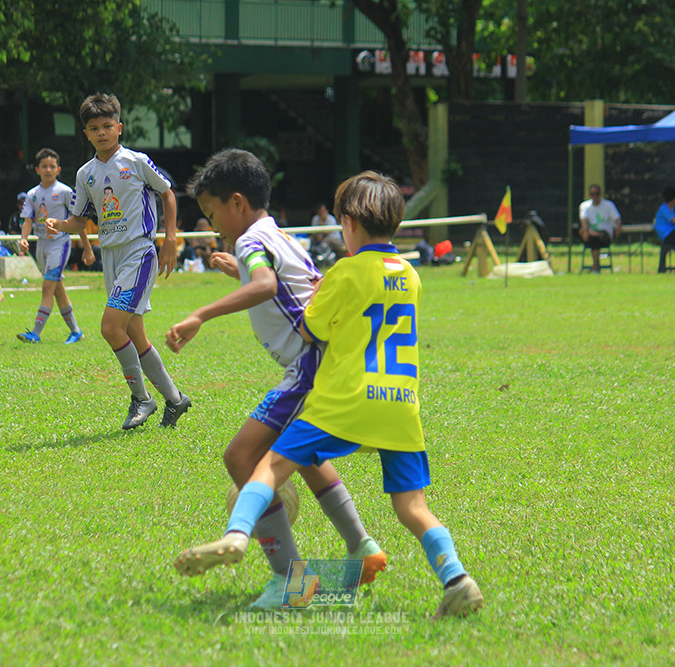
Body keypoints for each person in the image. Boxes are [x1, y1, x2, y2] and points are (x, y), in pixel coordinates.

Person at [174, 171, 484, 620]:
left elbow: (309, 326)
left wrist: (318, 296)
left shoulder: (343, 271)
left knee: (269, 463)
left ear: (350, 223)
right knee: (414, 507)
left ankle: (241, 536)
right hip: (401, 407)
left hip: (345, 402)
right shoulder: (412, 275)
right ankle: (457, 579)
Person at [166, 150, 387, 609]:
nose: (212, 226)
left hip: (307, 365)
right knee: (302, 453)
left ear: (238, 203)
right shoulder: (278, 235)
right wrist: (239, 269)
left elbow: (267, 287)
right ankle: (361, 545)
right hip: (326, 358)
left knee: (241, 455)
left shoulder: (249, 242)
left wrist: (199, 314)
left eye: (212, 213)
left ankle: (290, 579)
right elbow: (302, 283)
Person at [46, 93, 190, 430]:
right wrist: (60, 225)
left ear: (119, 127)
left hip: (138, 252)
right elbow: (79, 220)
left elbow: (167, 193)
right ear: (86, 134)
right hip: (110, 256)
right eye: (94, 128)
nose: (101, 132)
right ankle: (175, 399)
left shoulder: (136, 162)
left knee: (110, 327)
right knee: (134, 333)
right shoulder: (86, 174)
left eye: (107, 126)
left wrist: (170, 239)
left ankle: (142, 398)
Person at [15, 148, 93, 345]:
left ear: (58, 169)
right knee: (57, 289)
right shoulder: (32, 194)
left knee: (47, 287)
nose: (48, 170)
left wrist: (87, 247)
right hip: (42, 245)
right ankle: (76, 332)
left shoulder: (65, 192)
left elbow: (79, 220)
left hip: (60, 244)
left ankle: (35, 333)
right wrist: (24, 238)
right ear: (37, 169)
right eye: (44, 166)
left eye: (52, 166)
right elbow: (27, 220)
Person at [578, 184, 622, 272]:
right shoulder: (585, 206)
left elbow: (617, 219)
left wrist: (618, 228)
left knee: (596, 238)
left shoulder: (608, 205)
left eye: (596, 194)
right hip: (590, 233)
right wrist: (585, 231)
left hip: (604, 234)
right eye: (592, 194)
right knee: (578, 230)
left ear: (600, 194)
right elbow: (584, 220)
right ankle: (595, 266)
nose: (594, 196)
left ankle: (595, 266)